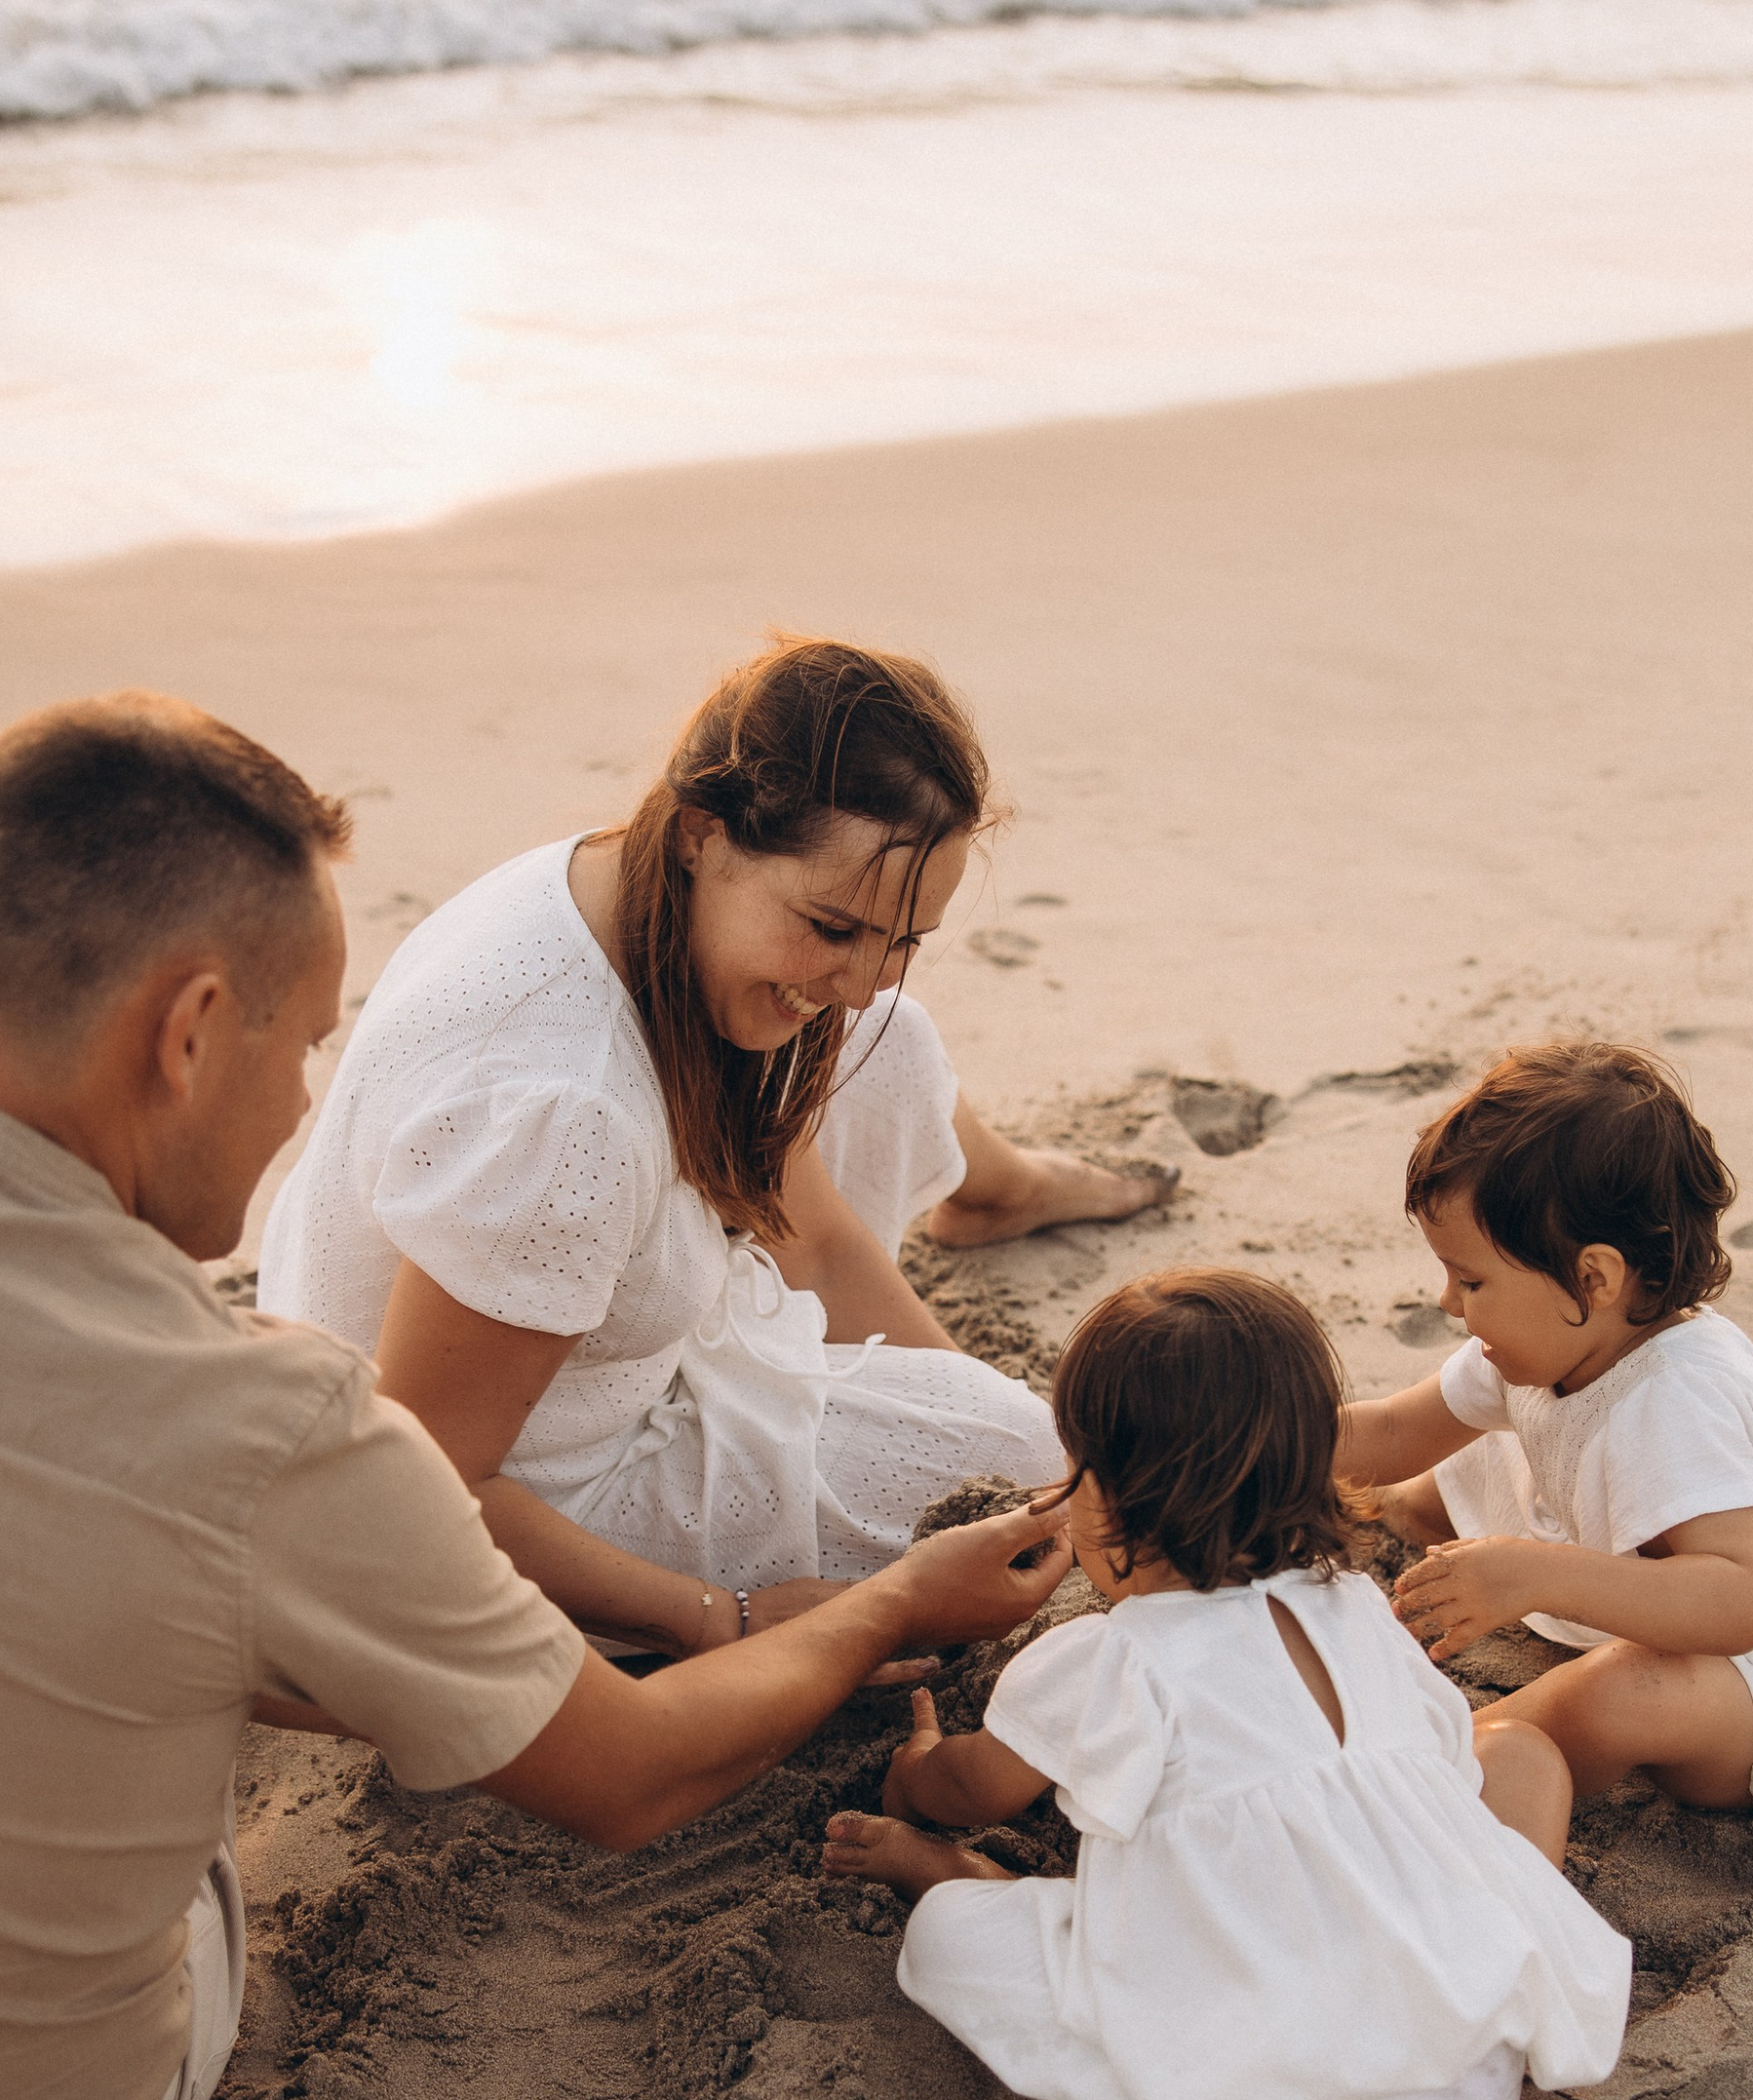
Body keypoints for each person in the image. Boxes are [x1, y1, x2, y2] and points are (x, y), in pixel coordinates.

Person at [0, 695, 1070, 2100]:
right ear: (187, 1032)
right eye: (309, 1042)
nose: (318, 1105)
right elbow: (627, 1776)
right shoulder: (261, 1426)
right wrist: (887, 1603)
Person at [255, 637, 1171, 1664]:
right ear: (703, 836)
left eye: (904, 940)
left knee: (888, 1049)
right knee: (1037, 1469)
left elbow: (814, 1241)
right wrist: (719, 1616)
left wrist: (961, 1409)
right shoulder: (561, 1110)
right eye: (833, 926)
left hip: (539, 1332)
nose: (868, 974)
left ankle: (993, 1196)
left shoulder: (624, 884)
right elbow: (416, 1486)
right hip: (503, 1490)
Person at [824, 1270, 1629, 2100]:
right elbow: (1436, 1773)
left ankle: (948, 1881)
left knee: (961, 1944)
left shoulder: (1112, 1660)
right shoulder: (1354, 1612)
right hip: (1472, 2092)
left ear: (1109, 1502)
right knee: (1503, 1770)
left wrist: (915, 1773)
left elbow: (972, 1788)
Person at [1340, 1042, 1753, 1849]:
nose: (1448, 1302)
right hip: (1653, 1591)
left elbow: (1742, 1600)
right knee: (1442, 1470)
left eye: (1472, 1281)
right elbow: (1389, 1431)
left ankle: (1425, 1760)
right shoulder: (1556, 1341)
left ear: (1593, 1279)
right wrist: (1230, 1446)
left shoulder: (1676, 1400)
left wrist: (1530, 1573)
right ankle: (1432, 1537)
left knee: (1622, 1693)